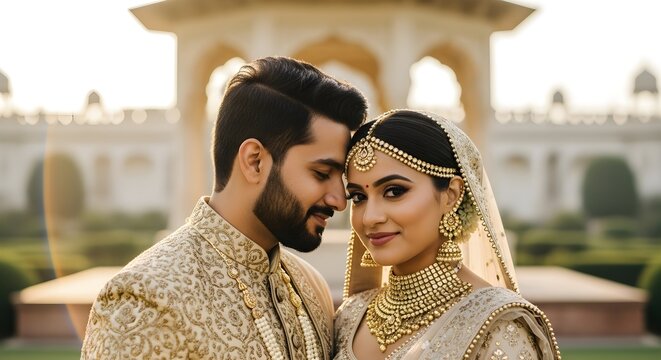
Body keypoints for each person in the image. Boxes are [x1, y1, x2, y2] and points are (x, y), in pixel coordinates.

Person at [81, 56, 368, 359]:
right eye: (322, 174)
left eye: (342, 179)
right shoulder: (144, 301)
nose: (339, 199)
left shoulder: (310, 288)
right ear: (255, 161)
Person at [334, 110, 561, 360]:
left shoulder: (496, 325)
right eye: (358, 197)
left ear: (450, 195)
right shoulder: (350, 317)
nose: (370, 217)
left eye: (394, 191)